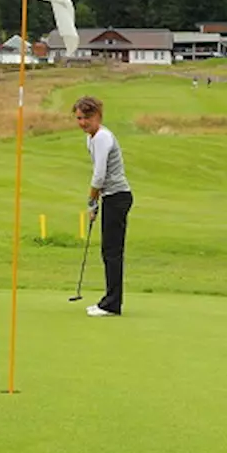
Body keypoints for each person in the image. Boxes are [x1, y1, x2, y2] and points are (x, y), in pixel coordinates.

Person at [74, 96, 134, 317]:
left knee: (112, 252)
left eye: (87, 118)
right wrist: (96, 202)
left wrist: (91, 201)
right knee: (108, 251)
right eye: (79, 118)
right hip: (111, 197)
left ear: (98, 116)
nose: (82, 122)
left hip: (118, 197)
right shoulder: (92, 138)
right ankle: (109, 300)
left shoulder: (102, 137)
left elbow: (99, 175)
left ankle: (112, 304)